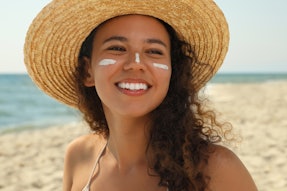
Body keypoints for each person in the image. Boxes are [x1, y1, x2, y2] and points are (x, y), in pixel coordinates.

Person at [24, 0, 257, 190]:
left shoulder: (215, 169)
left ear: (173, 74)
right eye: (117, 48)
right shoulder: (78, 156)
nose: (136, 64)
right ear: (88, 71)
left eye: (154, 52)